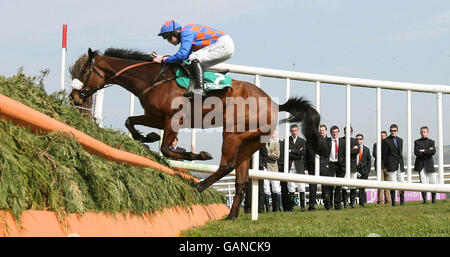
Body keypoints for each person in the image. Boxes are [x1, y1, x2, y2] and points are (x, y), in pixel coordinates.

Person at [154, 20, 235, 98]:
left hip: (223, 44)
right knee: (193, 62)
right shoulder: (187, 36)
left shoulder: (186, 32)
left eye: (169, 38)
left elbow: (182, 55)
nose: (169, 41)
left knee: (194, 58)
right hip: (224, 46)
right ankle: (216, 80)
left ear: (176, 32)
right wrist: (165, 59)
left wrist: (163, 60)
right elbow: (185, 57)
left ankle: (199, 89)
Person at [279, 124, 306, 212]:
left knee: (301, 187)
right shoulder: (286, 141)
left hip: (299, 167)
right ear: (290, 131)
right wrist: (298, 152)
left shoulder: (302, 141)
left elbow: (303, 153)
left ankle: (302, 207)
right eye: (292, 131)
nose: (294, 132)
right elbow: (286, 153)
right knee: (291, 187)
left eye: (295, 130)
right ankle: (292, 207)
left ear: (298, 131)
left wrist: (292, 150)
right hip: (290, 167)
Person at [305, 124, 330, 211]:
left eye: (323, 130)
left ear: (326, 131)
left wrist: (327, 164)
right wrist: (306, 169)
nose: (321, 132)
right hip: (312, 166)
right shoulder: (309, 142)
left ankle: (327, 205)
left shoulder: (329, 141)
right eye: (320, 130)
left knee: (325, 186)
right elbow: (306, 156)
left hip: (323, 166)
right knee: (312, 187)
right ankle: (311, 206)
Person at [382, 124, 405, 206]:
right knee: (393, 182)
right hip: (391, 165)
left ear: (397, 131)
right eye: (391, 130)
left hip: (400, 164)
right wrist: (387, 165)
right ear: (389, 131)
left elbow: (400, 153)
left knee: (401, 181)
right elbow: (384, 155)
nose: (393, 132)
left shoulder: (400, 140)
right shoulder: (386, 141)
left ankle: (402, 201)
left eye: (395, 130)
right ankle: (394, 202)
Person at [414, 126, 437, 204]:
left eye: (424, 132)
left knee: (433, 182)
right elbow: (416, 152)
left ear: (428, 132)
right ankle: (425, 200)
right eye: (421, 132)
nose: (423, 133)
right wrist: (427, 150)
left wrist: (423, 150)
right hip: (420, 165)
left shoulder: (432, 142)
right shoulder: (417, 142)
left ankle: (434, 200)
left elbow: (433, 152)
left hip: (429, 165)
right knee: (423, 183)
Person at [244, 145, 268, 214]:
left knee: (260, 190)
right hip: (249, 167)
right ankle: (248, 209)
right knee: (248, 190)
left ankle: (261, 209)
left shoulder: (262, 138)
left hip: (259, 168)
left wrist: (262, 164)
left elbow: (265, 154)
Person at [340, 126, 359, 209]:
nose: (348, 133)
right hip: (343, 166)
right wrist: (352, 149)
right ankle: (345, 202)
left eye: (349, 131)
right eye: (346, 131)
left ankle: (352, 203)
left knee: (353, 185)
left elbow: (357, 151)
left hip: (353, 166)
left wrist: (348, 150)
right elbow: (341, 152)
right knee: (344, 186)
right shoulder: (341, 140)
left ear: (351, 132)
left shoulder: (354, 141)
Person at [264, 129, 282, 212]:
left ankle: (276, 208)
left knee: (276, 188)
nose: (272, 135)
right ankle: (268, 208)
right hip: (264, 168)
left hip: (273, 168)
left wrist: (266, 155)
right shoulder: (263, 142)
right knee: (266, 188)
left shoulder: (276, 143)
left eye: (274, 133)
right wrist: (271, 154)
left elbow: (277, 156)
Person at [373, 131, 391, 204]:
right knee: (380, 184)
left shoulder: (389, 144)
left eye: (384, 136)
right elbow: (375, 154)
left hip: (388, 166)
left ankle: (388, 200)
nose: (382, 137)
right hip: (379, 166)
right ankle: (380, 200)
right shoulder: (376, 145)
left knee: (388, 185)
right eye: (381, 136)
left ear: (386, 136)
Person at [355, 134, 371, 207]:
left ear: (363, 139)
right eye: (357, 139)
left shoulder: (366, 149)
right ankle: (353, 203)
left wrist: (367, 171)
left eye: (360, 139)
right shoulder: (354, 148)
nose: (359, 140)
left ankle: (362, 203)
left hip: (364, 171)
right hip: (355, 170)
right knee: (354, 187)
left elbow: (369, 161)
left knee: (362, 187)